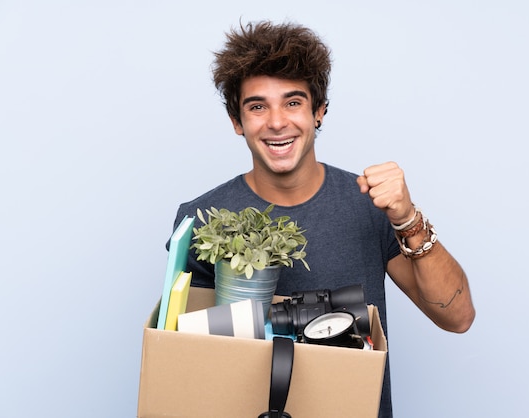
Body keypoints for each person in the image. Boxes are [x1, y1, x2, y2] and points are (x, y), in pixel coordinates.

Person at [169, 20, 475, 417]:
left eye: (293, 102)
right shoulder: (200, 221)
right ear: (236, 121)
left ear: (319, 112)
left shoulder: (368, 204)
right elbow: (185, 362)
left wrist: (408, 219)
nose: (277, 121)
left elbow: (457, 317)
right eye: (257, 106)